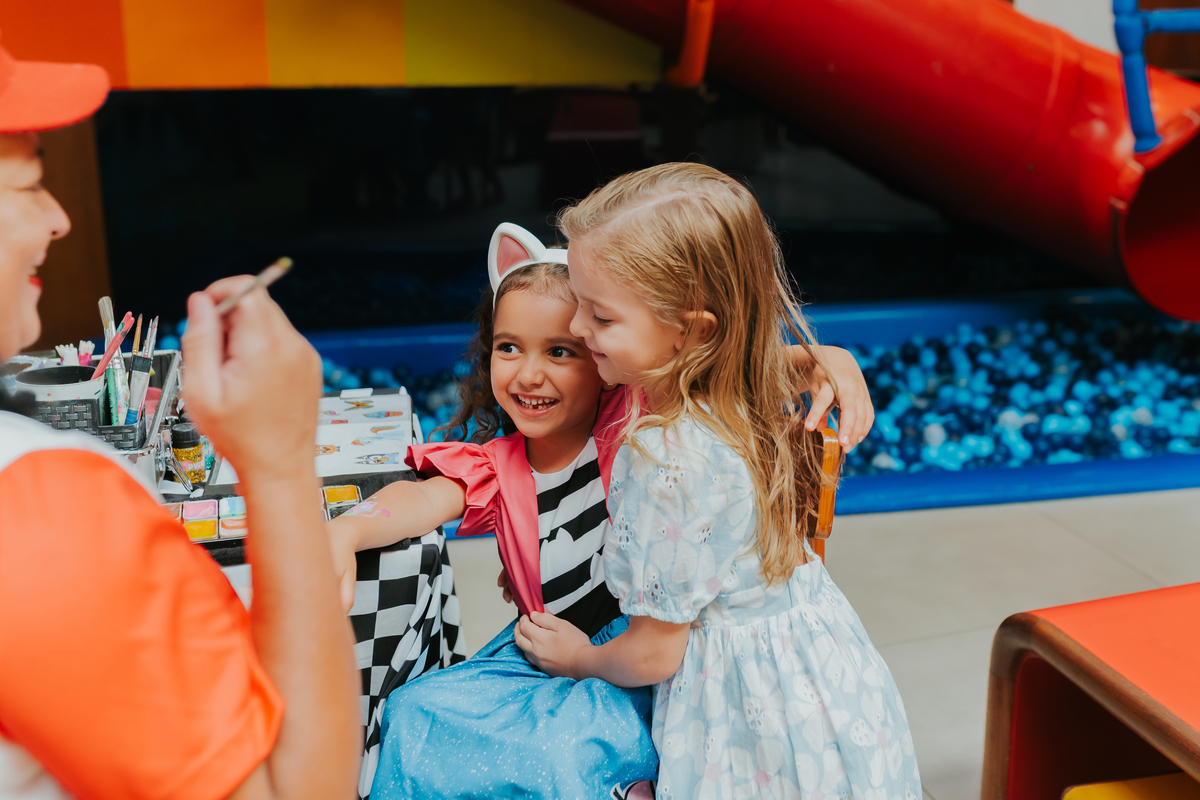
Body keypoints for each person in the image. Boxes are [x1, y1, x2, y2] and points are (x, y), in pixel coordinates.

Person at [342, 222, 875, 798]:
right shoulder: (496, 467)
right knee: (414, 711)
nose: (528, 373)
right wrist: (345, 533)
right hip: (549, 656)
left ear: (602, 356)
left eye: (561, 351)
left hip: (646, 658)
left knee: (556, 754)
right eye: (508, 347)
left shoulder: (635, 422)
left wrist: (829, 356)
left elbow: (735, 366)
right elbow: (420, 498)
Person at [0, 40, 360, 800]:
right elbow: (300, 789)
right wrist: (279, 460)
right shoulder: (36, 506)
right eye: (31, 182)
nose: (59, 219)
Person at [516, 162, 921, 799]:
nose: (575, 329)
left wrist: (579, 660)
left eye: (600, 316)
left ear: (692, 330)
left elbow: (654, 654)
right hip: (826, 681)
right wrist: (832, 357)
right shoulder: (742, 385)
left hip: (739, 707)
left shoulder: (664, 455)